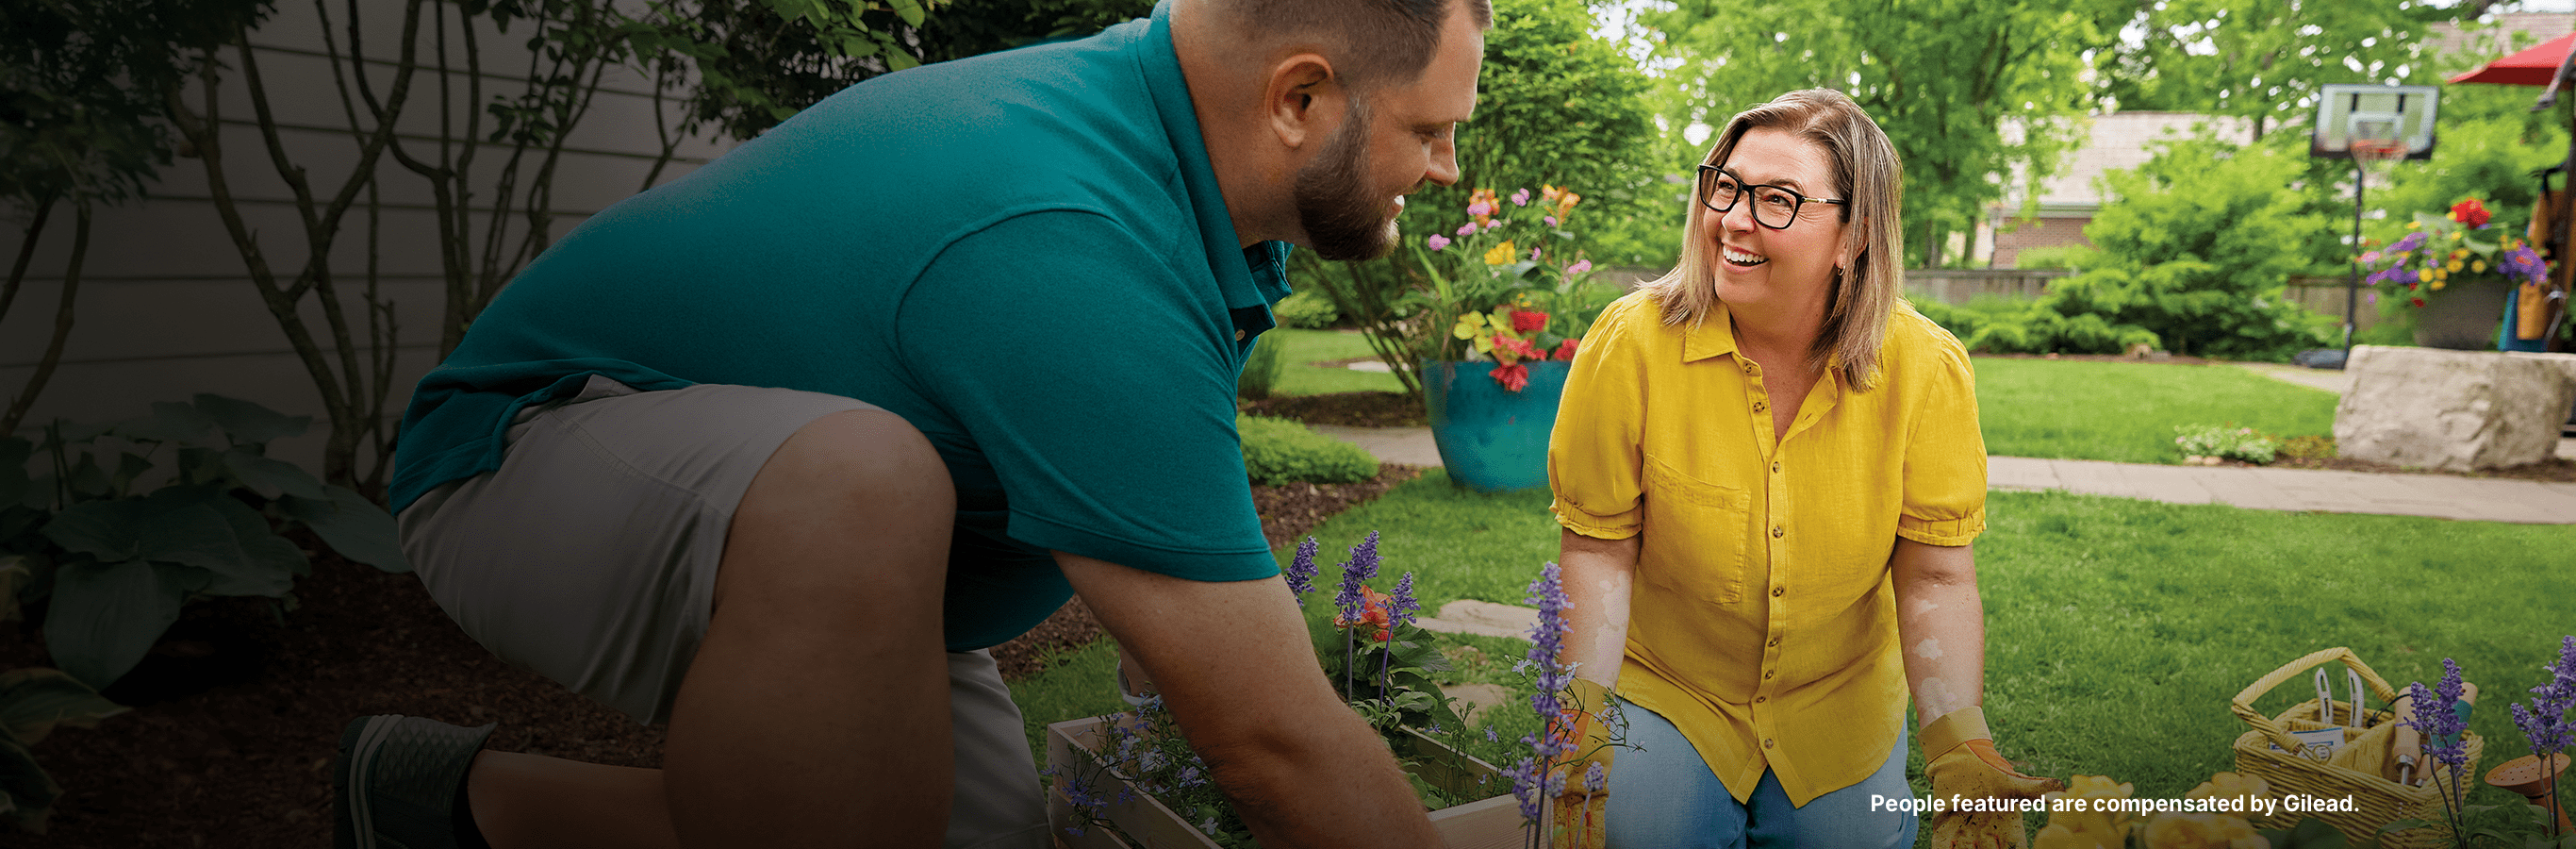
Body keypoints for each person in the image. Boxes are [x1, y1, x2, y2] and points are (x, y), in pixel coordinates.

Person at [333, 1, 1491, 847]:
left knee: (963, 833)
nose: (1445, 167)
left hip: (804, 542)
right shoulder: (1068, 228)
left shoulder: (1169, 180)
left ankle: (449, 806)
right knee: (864, 481)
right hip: (518, 456)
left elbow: (1157, 531)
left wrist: (1184, 673)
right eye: (1430, 130)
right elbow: (1273, 741)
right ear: (1298, 99)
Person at [1539, 89, 2061, 848]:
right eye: (1727, 184)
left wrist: (1958, 739)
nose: (1735, 219)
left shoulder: (1925, 369)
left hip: (1837, 705)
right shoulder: (1632, 343)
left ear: (1856, 235)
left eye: (1778, 199)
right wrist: (1582, 712)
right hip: (1673, 691)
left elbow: (1936, 576)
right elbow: (1598, 548)